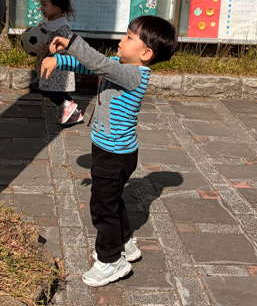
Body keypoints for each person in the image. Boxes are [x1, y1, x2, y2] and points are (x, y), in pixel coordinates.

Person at [41, 15, 178, 287]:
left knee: (102, 208)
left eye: (129, 37)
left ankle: (111, 260)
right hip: (109, 149)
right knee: (112, 199)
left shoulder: (133, 74)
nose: (121, 41)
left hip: (114, 155)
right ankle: (125, 242)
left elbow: (98, 63)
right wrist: (60, 60)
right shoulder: (120, 65)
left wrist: (72, 42)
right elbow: (90, 65)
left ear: (146, 53)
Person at [35, 0, 82, 125]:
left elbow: (67, 47)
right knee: (56, 90)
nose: (41, 8)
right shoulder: (45, 21)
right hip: (47, 64)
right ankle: (74, 113)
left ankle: (66, 106)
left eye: (45, 5)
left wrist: (52, 49)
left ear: (57, 6)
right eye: (41, 4)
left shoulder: (63, 27)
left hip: (57, 67)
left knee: (45, 90)